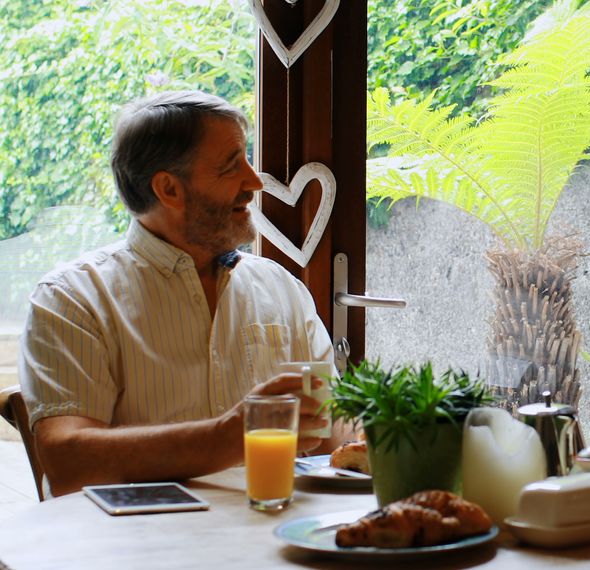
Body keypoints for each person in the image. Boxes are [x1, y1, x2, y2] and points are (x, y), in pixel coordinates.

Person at [18, 90, 346, 497]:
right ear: (169, 189)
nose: (254, 181)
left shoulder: (282, 288)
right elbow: (69, 462)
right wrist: (231, 434)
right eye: (231, 167)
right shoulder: (71, 299)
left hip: (276, 542)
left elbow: (335, 431)